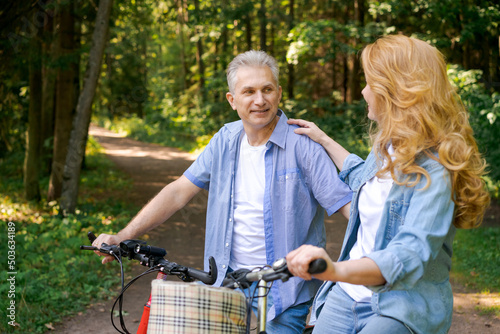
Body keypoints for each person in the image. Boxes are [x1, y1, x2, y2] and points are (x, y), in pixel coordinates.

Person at [93, 50, 352, 333]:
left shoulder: (303, 145)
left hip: (287, 291)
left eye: (267, 90)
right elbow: (179, 191)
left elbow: (347, 206)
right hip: (226, 285)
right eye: (249, 91)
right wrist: (123, 236)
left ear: (278, 93)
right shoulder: (224, 140)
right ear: (232, 100)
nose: (260, 100)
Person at [285, 34, 490, 334]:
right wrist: (324, 139)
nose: (363, 91)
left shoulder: (435, 171)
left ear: (394, 91)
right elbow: (360, 179)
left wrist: (334, 270)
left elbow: (407, 255)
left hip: (401, 306)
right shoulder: (388, 147)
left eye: (369, 83)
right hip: (347, 296)